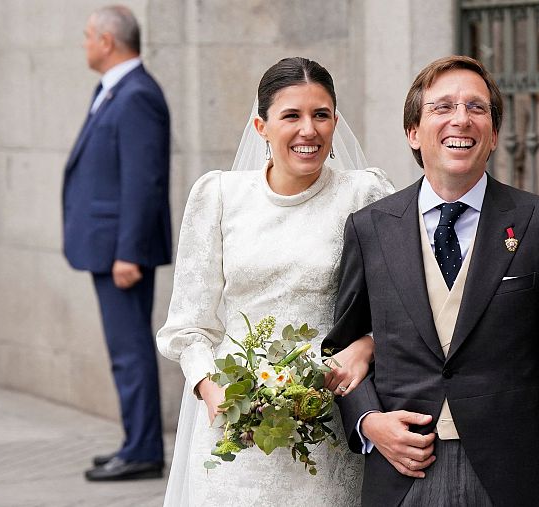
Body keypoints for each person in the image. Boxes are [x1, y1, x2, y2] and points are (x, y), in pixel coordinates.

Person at [323, 55, 539, 507]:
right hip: (401, 473)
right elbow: (341, 349)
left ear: (494, 134)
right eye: (443, 107)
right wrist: (368, 421)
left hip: (510, 477)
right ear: (413, 132)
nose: (461, 119)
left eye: (476, 107)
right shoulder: (371, 228)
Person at [156, 57, 393, 506]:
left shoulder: (363, 195)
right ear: (261, 126)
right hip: (235, 423)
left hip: (325, 421)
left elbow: (404, 303)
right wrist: (210, 388)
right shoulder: (219, 196)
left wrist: (367, 345)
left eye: (321, 115)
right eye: (291, 116)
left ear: (336, 121)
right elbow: (188, 325)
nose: (309, 130)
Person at [62, 5, 170, 481]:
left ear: (107, 41)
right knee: (124, 350)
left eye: (88, 35)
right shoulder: (112, 90)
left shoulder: (137, 94)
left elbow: (143, 182)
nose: (84, 43)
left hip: (121, 252)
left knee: (130, 351)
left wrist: (129, 251)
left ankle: (143, 451)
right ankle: (135, 442)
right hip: (107, 247)